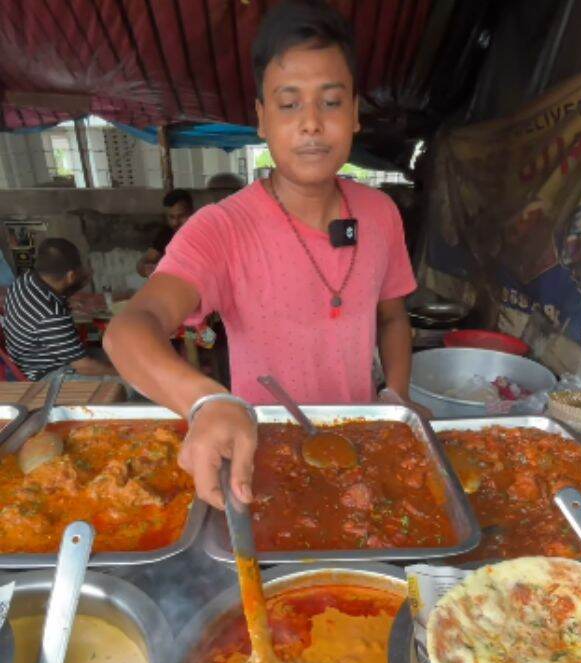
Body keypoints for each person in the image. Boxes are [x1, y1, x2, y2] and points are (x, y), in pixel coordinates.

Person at [104, 0, 426, 508]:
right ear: (261, 118)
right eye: (290, 103)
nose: (313, 124)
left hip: (365, 448)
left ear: (356, 114)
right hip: (258, 457)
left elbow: (392, 318)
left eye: (332, 102)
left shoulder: (381, 213)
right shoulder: (221, 228)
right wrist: (205, 401)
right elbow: (130, 328)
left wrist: (396, 400)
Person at [3, 238, 116, 379]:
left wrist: (77, 283)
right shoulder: (51, 314)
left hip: (28, 360)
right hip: (47, 374)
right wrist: (127, 375)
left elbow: (55, 294)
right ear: (71, 275)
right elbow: (85, 367)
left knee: (116, 354)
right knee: (129, 383)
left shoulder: (24, 281)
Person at [137, 189, 194, 278]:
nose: (175, 222)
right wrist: (146, 268)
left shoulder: (202, 231)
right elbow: (144, 261)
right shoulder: (167, 233)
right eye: (171, 217)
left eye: (181, 216)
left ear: (192, 212)